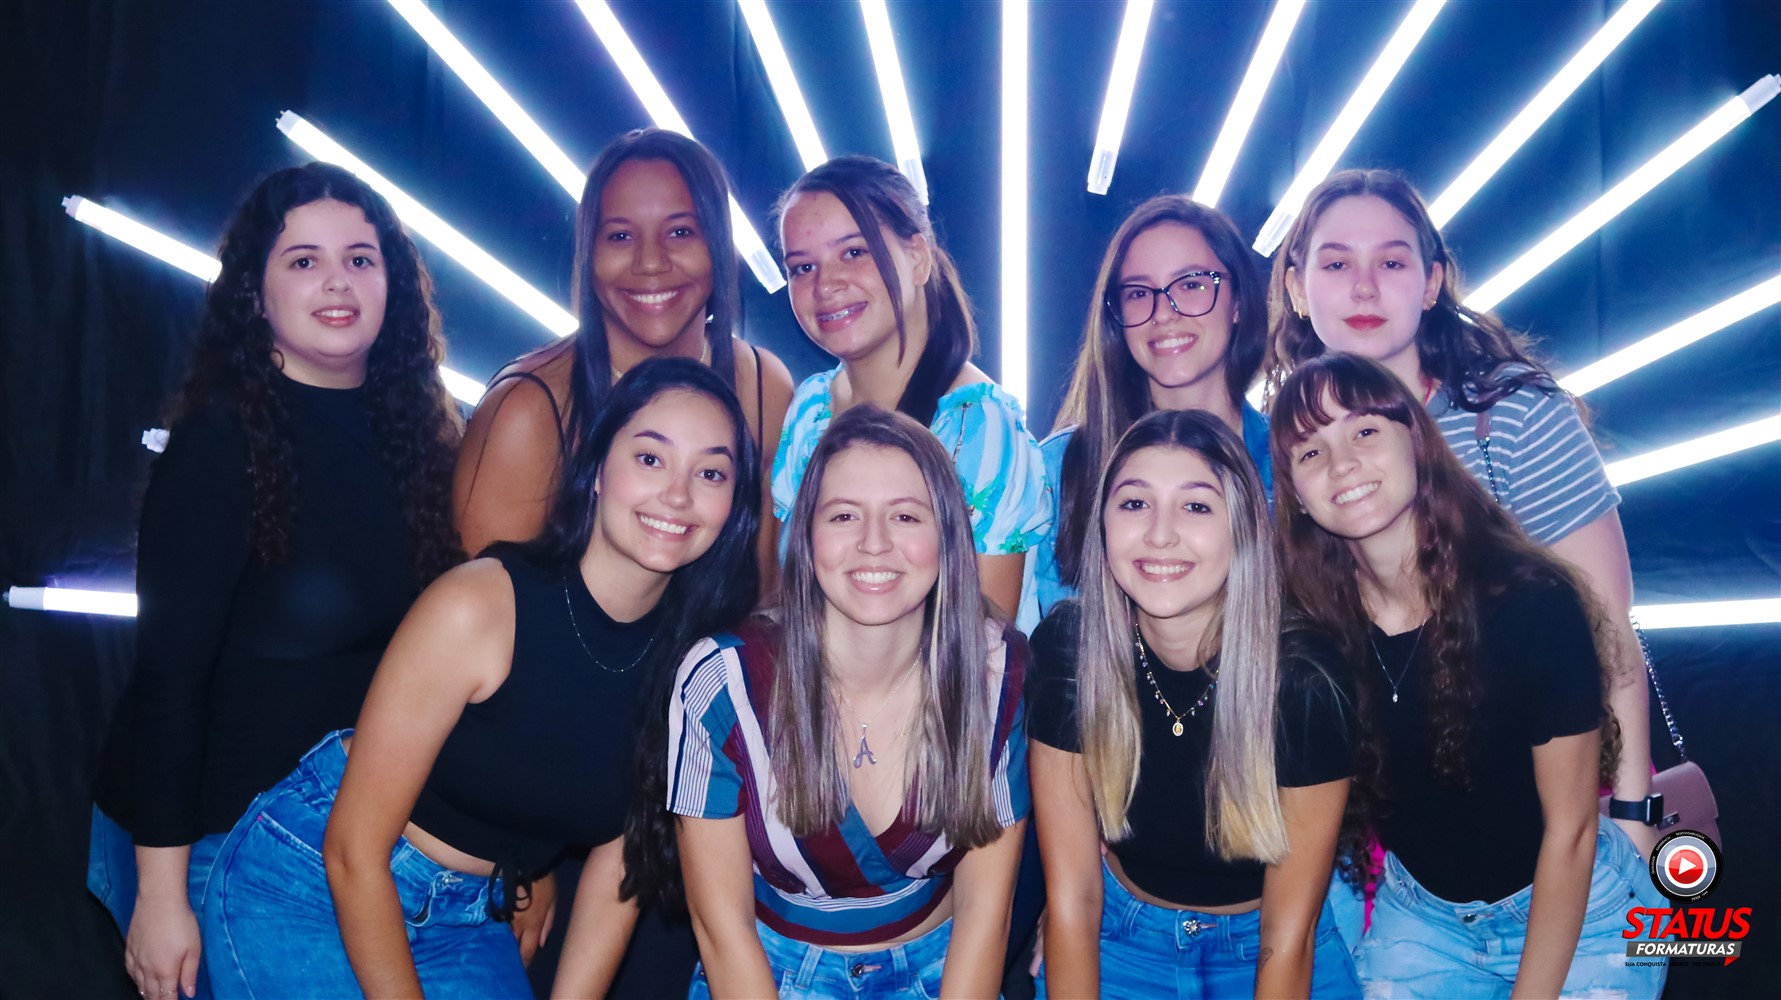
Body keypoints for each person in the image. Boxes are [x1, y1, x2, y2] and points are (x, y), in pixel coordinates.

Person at [199, 359, 760, 997]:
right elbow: (352, 851)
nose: (678, 495)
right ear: (599, 470)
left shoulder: (696, 665)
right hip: (309, 879)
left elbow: (621, 864)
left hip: (468, 912)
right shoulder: (480, 606)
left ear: (733, 505)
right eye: (651, 459)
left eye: (711, 473)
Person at [87, 162, 464, 1000]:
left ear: (395, 285)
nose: (337, 281)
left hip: (339, 838)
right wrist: (161, 897)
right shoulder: (221, 444)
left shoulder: (429, 443)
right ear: (255, 295)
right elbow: (168, 682)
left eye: (360, 259)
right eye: (303, 260)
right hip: (200, 834)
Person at [1263, 169, 1658, 862]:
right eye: (1336, 264)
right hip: (1386, 840)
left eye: (1391, 262)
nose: (1364, 288)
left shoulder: (1510, 417)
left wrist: (1631, 814)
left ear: (1431, 283)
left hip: (1553, 814)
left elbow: (1607, 631)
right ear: (1297, 288)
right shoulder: (1289, 443)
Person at [1271, 352, 1666, 998]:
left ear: (1417, 444)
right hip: (1422, 920)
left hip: (1582, 910)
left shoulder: (1531, 602)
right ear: (1295, 496)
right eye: (1310, 452)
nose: (1341, 463)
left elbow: (1569, 833)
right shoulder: (1311, 635)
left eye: (1364, 430)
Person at [667, 405, 1028, 999]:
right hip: (769, 976)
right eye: (843, 515)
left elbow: (985, 917)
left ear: (948, 536)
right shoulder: (723, 681)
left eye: (905, 516)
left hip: (938, 974)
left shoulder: (997, 673)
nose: (874, 543)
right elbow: (722, 930)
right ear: (806, 538)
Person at [1028, 409, 1359, 999]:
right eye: (1134, 503)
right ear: (1102, 523)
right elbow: (1073, 899)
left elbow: (1288, 935)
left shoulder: (1304, 679)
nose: (1160, 534)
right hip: (1120, 939)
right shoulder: (1067, 650)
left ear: (1243, 527)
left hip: (1265, 946)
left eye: (1197, 506)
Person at [454, 127, 793, 583]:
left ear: (719, 247)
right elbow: (478, 606)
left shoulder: (763, 386)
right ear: (588, 254)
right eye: (620, 236)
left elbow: (766, 593)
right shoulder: (527, 412)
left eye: (680, 232)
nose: (650, 262)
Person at [772, 155, 1048, 617]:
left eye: (854, 252)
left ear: (917, 258)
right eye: (802, 267)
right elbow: (785, 598)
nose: (826, 285)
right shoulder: (808, 408)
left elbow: (986, 641)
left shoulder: (977, 427)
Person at [1019, 195, 1273, 634]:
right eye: (1139, 293)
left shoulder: (1297, 461)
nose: (1164, 313)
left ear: (1238, 302)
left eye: (1191, 284)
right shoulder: (1057, 471)